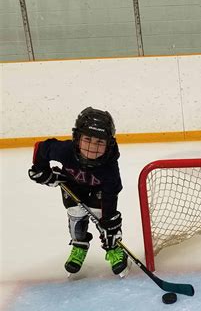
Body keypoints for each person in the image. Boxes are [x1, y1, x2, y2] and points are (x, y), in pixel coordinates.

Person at [28, 107, 129, 275]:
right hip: (72, 185)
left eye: (99, 142)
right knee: (75, 214)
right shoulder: (65, 150)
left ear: (108, 144)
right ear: (77, 138)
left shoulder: (110, 168)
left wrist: (108, 219)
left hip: (98, 191)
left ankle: (113, 248)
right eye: (87, 139)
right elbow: (42, 148)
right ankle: (79, 245)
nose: (92, 147)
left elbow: (110, 194)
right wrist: (42, 170)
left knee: (104, 218)